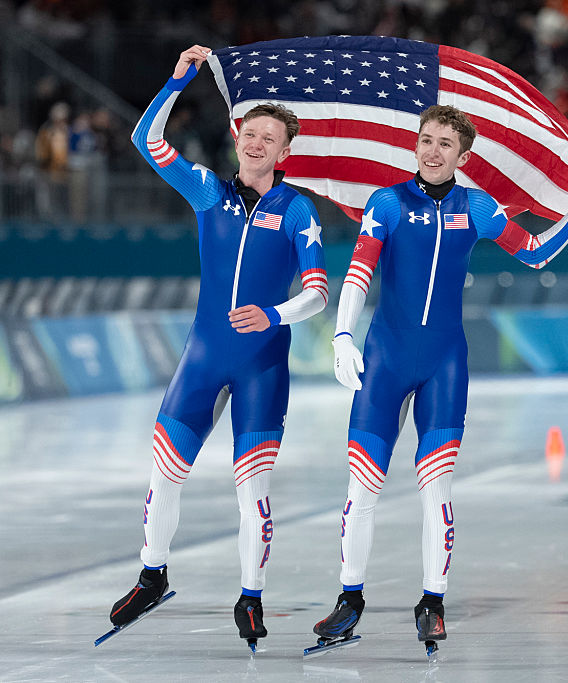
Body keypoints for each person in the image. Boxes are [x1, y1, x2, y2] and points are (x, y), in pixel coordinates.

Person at [314, 104, 568, 653]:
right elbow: (359, 271)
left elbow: (534, 254)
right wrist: (342, 335)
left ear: (463, 155)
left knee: (437, 489)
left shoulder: (477, 207)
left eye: (445, 144)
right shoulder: (387, 202)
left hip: (445, 365)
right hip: (385, 360)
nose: (432, 152)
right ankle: (349, 600)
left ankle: (432, 603)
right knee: (363, 488)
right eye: (426, 140)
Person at [107, 45, 329, 648]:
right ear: (237, 138)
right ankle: (152, 576)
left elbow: (317, 292)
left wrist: (274, 314)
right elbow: (146, 139)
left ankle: (251, 596)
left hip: (262, 366)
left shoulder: (296, 210)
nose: (255, 143)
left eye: (268, 138)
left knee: (251, 490)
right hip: (204, 359)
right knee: (165, 471)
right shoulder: (208, 191)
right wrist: (176, 80)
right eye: (249, 133)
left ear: (285, 152)